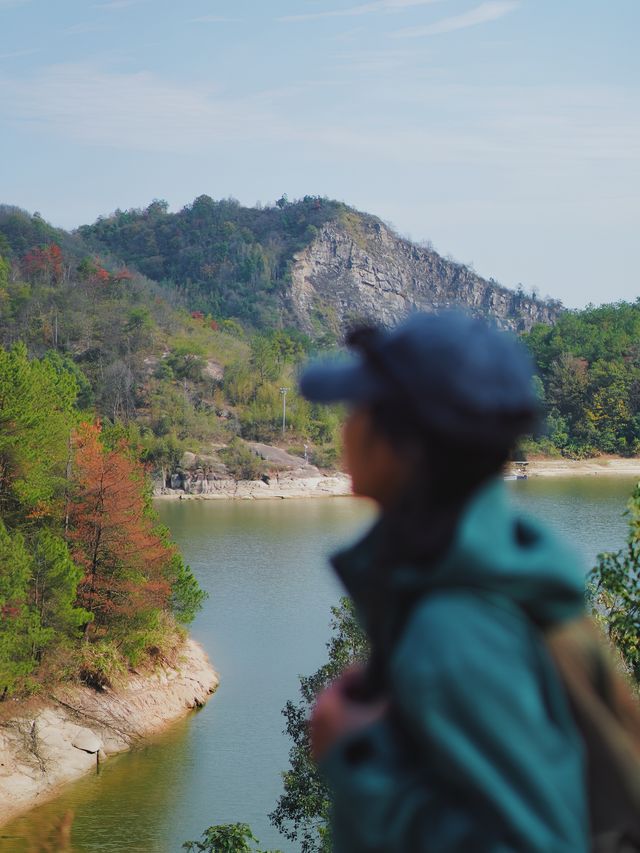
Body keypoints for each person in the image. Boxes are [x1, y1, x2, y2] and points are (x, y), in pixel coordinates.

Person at [299, 312, 589, 852]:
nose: (347, 426)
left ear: (405, 444)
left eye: (360, 408)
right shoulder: (493, 578)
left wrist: (356, 754)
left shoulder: (452, 632)